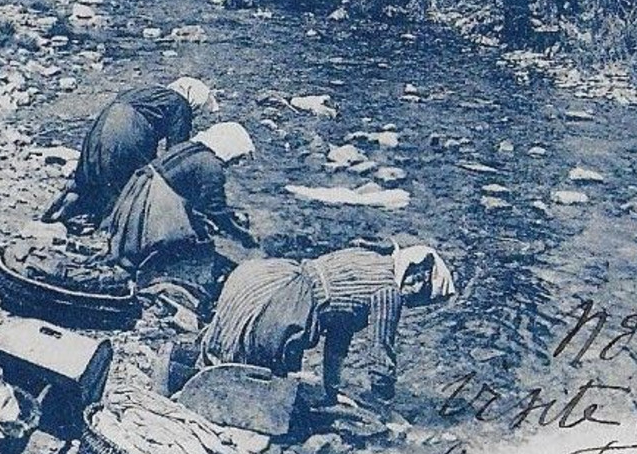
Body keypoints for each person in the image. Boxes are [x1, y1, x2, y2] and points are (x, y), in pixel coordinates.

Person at [197, 241, 455, 402]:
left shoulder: (370, 256)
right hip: (284, 303)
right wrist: (385, 402)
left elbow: (338, 334)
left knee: (226, 352)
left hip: (260, 278)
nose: (415, 303)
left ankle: (190, 367)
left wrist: (330, 391)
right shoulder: (389, 293)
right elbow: (380, 352)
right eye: (422, 297)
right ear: (417, 278)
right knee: (259, 382)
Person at [43, 78, 218, 231]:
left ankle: (74, 201)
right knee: (132, 189)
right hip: (127, 129)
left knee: (97, 176)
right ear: (194, 100)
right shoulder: (180, 104)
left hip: (100, 127)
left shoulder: (150, 92)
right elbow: (177, 153)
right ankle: (111, 226)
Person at [104, 121, 258, 274]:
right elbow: (214, 208)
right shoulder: (211, 166)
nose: (235, 163)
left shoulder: (189, 148)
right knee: (188, 249)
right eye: (237, 158)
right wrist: (241, 234)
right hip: (154, 201)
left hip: (138, 191)